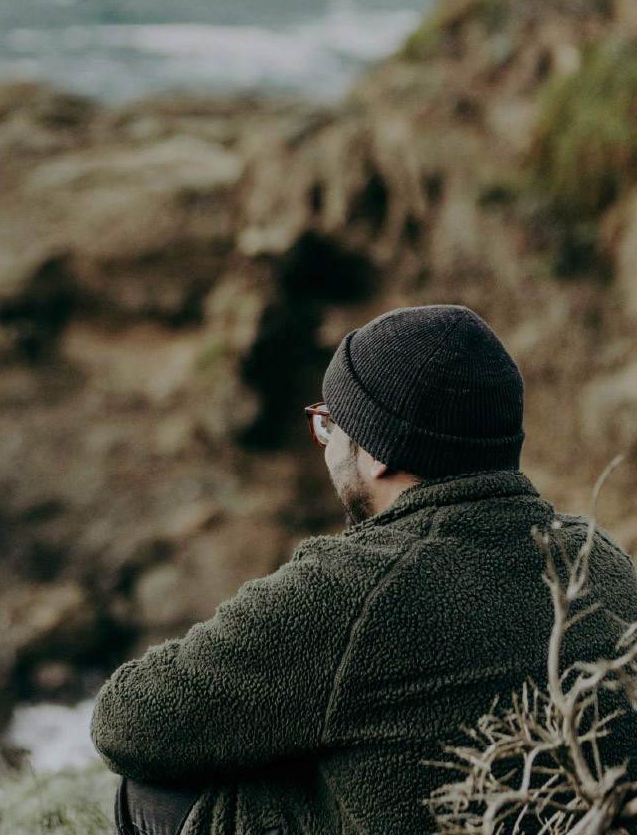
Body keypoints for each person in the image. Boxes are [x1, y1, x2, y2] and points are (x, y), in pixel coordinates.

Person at [90, 304, 637, 835]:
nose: (326, 448)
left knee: (150, 791)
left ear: (377, 453)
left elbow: (125, 721)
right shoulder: (600, 555)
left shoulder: (349, 587)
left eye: (330, 426)